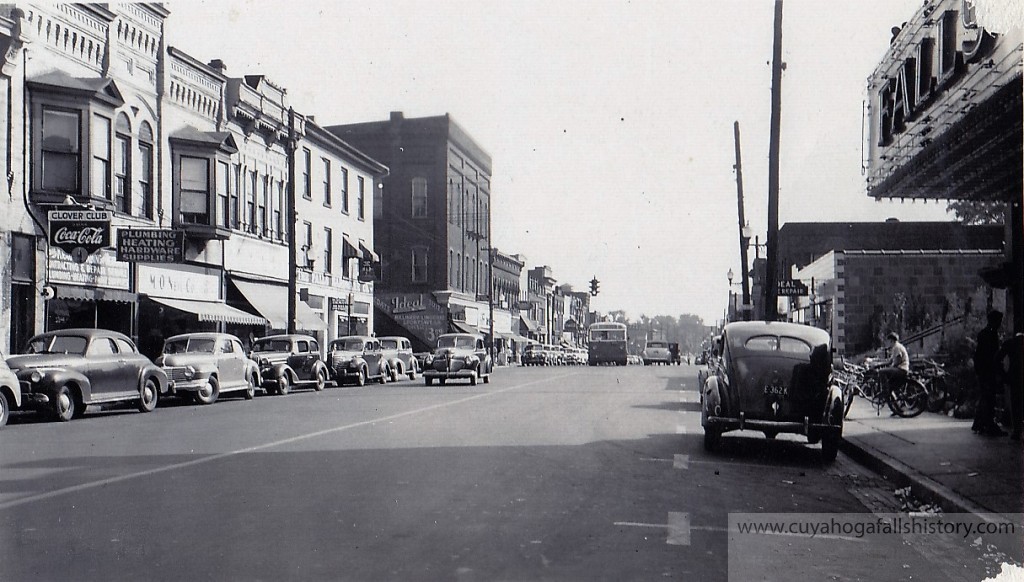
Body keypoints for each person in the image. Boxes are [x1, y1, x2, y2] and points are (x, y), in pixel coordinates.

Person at [972, 310, 1006, 436]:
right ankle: (988, 425)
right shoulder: (991, 334)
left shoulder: (984, 333)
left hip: (982, 370)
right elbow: (992, 355)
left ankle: (980, 424)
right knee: (989, 398)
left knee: (985, 397)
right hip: (988, 370)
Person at [998, 332, 1023, 441]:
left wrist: (1004, 375)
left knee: (1016, 404)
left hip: (1015, 377)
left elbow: (997, 359)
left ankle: (1017, 430)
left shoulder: (1010, 343)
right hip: (1016, 377)